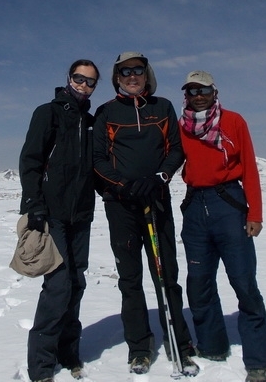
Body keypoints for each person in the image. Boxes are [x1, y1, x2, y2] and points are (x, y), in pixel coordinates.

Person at [93, 52, 199, 377]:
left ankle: (179, 342)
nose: (132, 75)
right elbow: (97, 159)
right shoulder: (106, 112)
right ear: (117, 77)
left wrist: (160, 178)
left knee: (166, 275)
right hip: (121, 206)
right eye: (125, 71)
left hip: (157, 203)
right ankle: (139, 347)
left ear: (146, 73)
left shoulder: (162, 107)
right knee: (130, 279)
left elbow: (177, 149)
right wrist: (123, 185)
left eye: (137, 70)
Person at [178, 70, 266, 382]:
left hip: (229, 205)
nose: (198, 95)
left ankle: (260, 361)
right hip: (194, 207)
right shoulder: (181, 126)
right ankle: (212, 346)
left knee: (244, 283)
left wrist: (255, 214)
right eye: (192, 90)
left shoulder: (233, 121)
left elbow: (249, 166)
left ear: (214, 90)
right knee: (199, 282)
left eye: (203, 89)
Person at [19, 59, 101, 382]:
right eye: (79, 78)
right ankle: (40, 366)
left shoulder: (90, 122)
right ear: (68, 78)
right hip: (51, 215)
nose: (83, 85)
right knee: (58, 285)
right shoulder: (47, 114)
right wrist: (33, 204)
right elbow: (30, 161)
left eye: (90, 82)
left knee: (76, 282)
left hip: (81, 216)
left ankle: (68, 352)